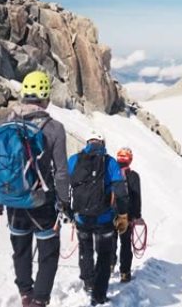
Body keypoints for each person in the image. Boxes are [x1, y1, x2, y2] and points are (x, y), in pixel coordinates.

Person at [0, 71, 70, 307]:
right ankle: (39, 301)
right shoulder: (54, 128)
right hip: (41, 201)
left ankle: (25, 294)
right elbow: (61, 171)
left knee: (21, 250)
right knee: (48, 253)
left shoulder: (4, 122)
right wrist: (65, 203)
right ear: (45, 97)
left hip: (10, 198)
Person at [68, 130, 129, 306]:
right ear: (103, 143)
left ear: (88, 142)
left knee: (85, 250)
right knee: (104, 255)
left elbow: (63, 184)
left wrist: (67, 210)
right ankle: (99, 294)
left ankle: (87, 283)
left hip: (81, 218)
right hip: (104, 219)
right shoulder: (110, 162)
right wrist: (123, 215)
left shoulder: (74, 160)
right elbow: (121, 192)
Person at [111, 147, 142, 283]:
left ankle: (110, 265)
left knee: (110, 240)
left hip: (109, 213)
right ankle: (125, 273)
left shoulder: (110, 172)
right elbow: (136, 197)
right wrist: (136, 215)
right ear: (130, 160)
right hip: (125, 214)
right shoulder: (133, 175)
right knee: (125, 243)